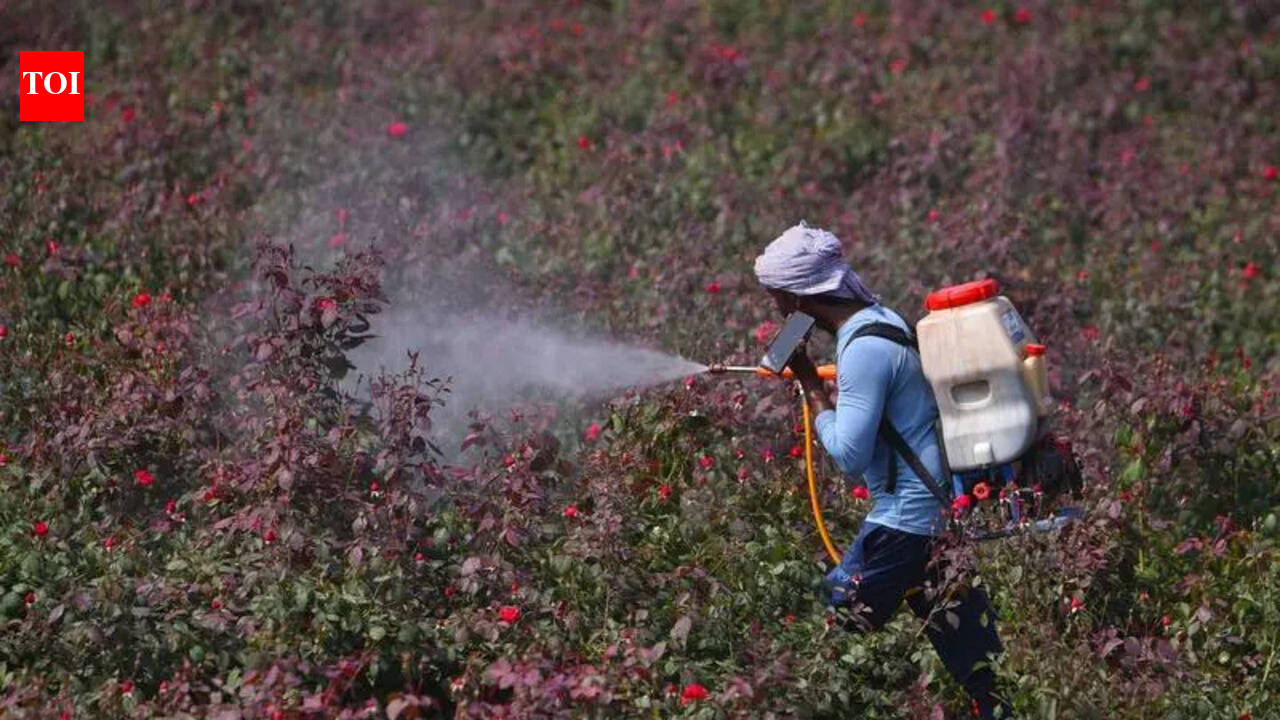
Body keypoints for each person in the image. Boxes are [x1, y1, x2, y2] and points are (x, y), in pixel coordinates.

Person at [753, 222, 1013, 719]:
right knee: (977, 663)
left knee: (834, 639)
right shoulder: (882, 319)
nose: (779, 313)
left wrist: (811, 386)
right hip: (938, 519)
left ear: (801, 299)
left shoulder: (863, 350)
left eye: (778, 301)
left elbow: (849, 455)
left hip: (905, 523)